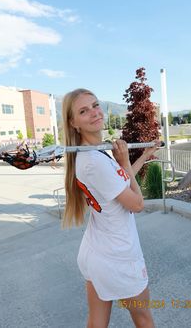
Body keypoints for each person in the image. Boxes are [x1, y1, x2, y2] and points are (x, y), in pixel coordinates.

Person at [62, 88, 158, 328]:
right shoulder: (94, 161)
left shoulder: (92, 154)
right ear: (73, 122)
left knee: (97, 323)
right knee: (144, 318)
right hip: (118, 256)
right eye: (84, 111)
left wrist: (144, 156)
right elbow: (137, 204)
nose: (94, 113)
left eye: (95, 105)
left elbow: (120, 183)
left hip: (96, 251)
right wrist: (124, 160)